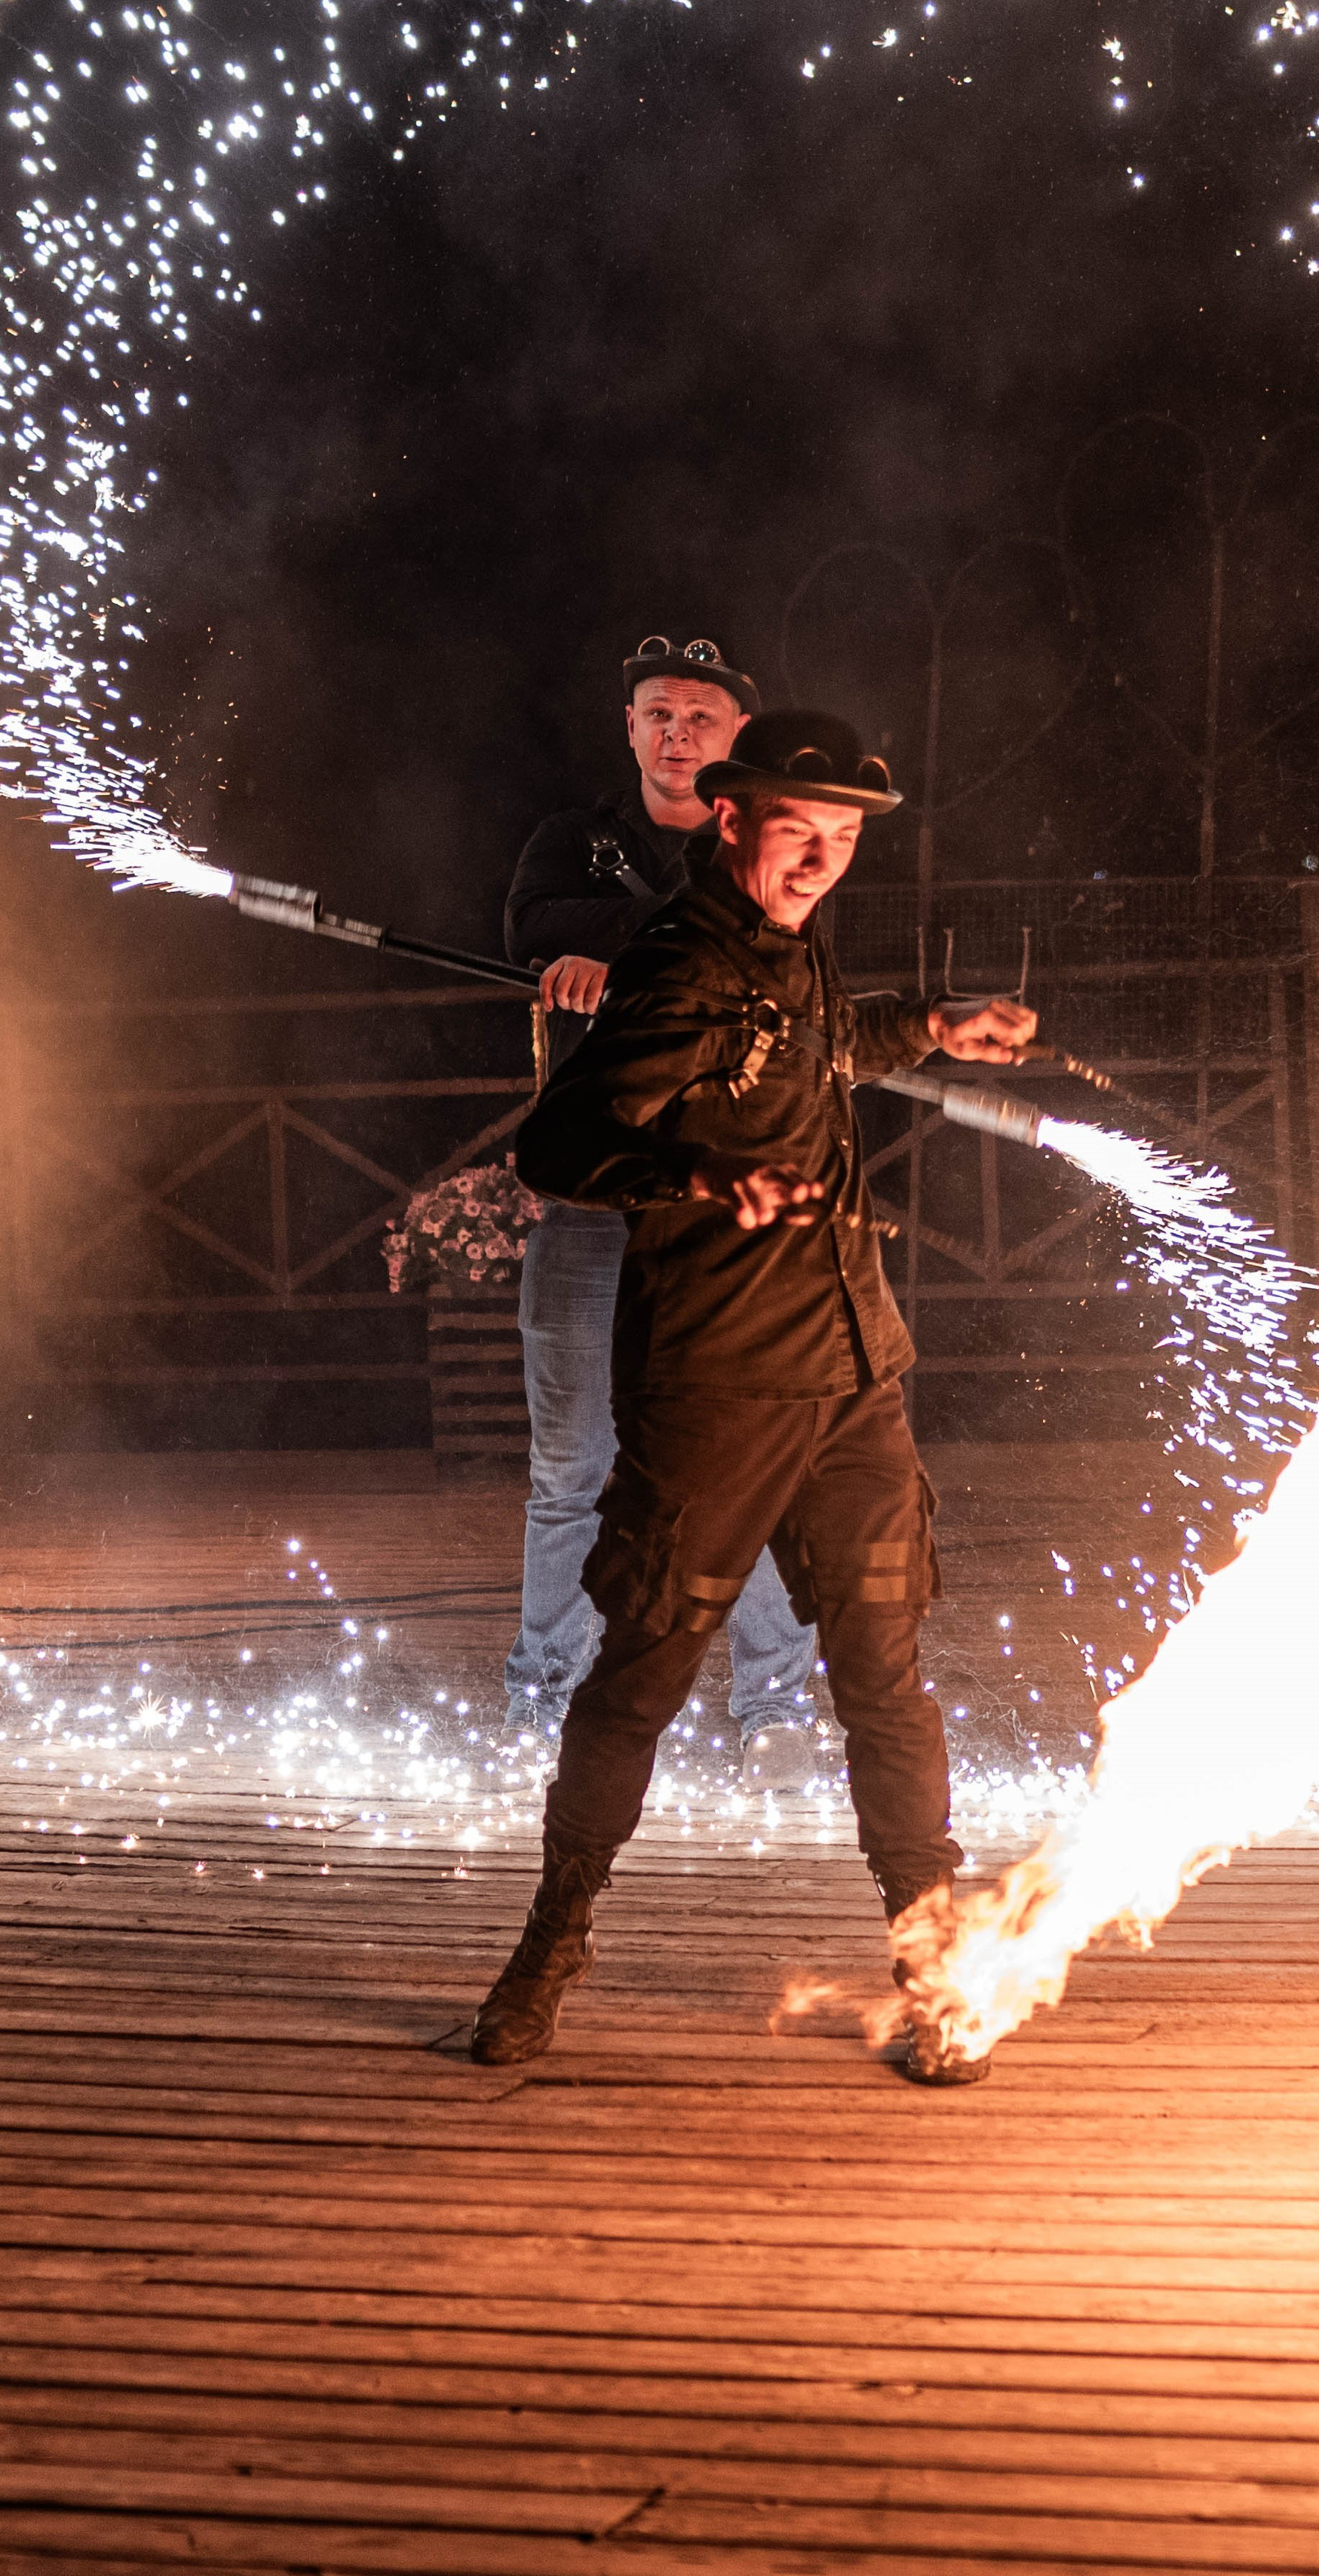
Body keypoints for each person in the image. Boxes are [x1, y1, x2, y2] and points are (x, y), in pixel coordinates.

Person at [476, 707, 1038, 2086]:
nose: (821, 862)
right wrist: (696, 1179)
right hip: (720, 1386)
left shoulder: (787, 945)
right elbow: (560, 1140)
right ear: (728, 819)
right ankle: (551, 1945)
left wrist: (934, 1027)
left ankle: (931, 1970)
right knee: (643, 1678)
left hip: (856, 1375)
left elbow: (815, 1040)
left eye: (842, 841)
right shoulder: (671, 963)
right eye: (799, 833)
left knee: (886, 1683)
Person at [502, 636, 818, 1780]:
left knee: (743, 1461)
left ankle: (774, 1707)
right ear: (628, 728)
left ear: (739, 737)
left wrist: (616, 951)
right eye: (657, 714)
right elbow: (529, 926)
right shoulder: (570, 838)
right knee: (571, 1469)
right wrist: (584, 949)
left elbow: (757, 949)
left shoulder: (774, 846)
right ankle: (547, 1706)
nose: (678, 732)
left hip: (724, 1218)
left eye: (701, 716)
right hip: (592, 1204)